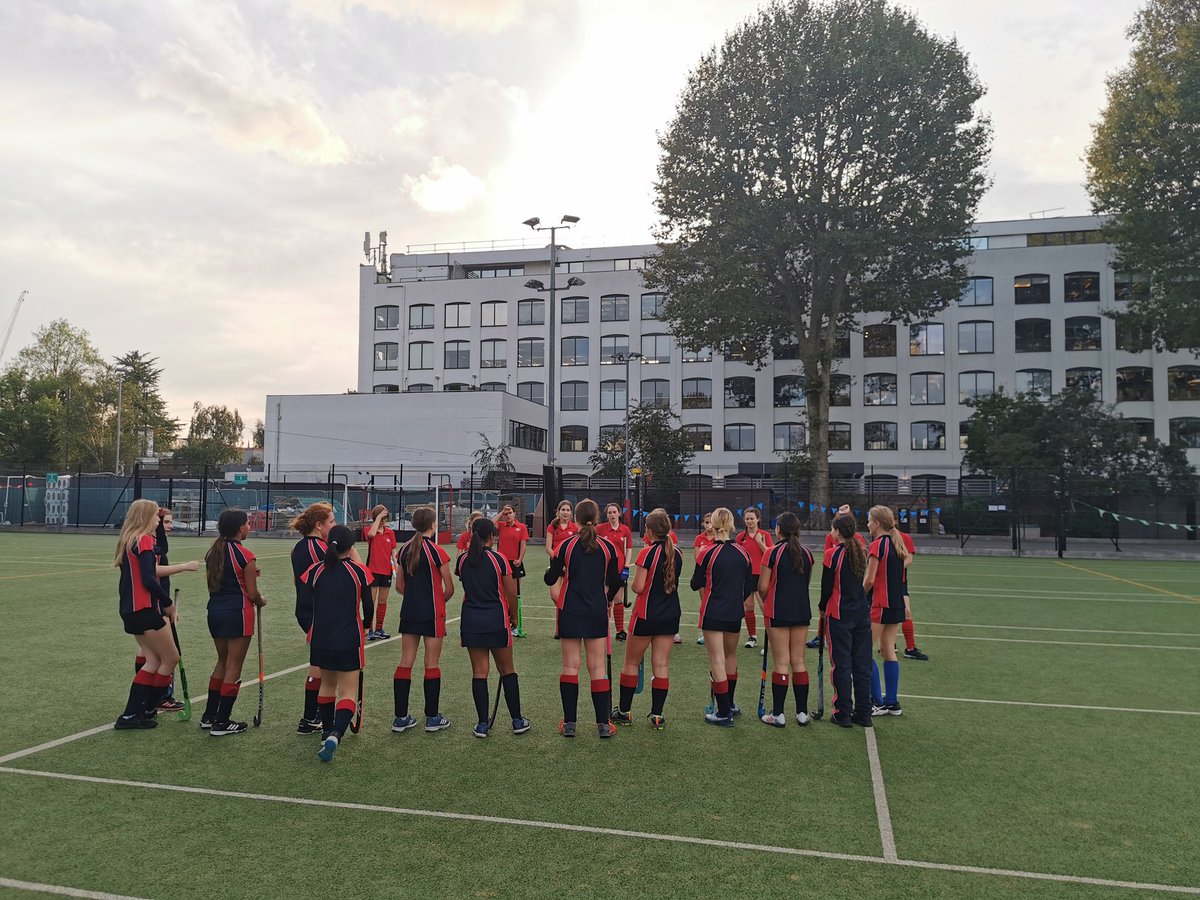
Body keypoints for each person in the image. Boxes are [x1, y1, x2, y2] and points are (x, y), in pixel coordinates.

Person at [544, 498, 621, 738]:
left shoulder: (565, 546)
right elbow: (616, 581)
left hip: (570, 610)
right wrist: (608, 598)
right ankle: (603, 725)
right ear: (597, 518)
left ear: (575, 519)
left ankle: (570, 724)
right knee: (597, 667)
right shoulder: (608, 547)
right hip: (596, 611)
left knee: (570, 665)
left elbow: (550, 578)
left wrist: (557, 570)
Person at [303, 525, 374, 762]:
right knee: (348, 692)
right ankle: (335, 734)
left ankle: (326, 731)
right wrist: (367, 625)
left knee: (326, 686)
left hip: (321, 638)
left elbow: (304, 604)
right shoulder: (359, 571)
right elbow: (368, 604)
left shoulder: (315, 570)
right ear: (351, 546)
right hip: (348, 638)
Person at [457, 517, 529, 737]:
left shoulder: (462, 560)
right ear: (491, 536)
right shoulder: (499, 559)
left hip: (471, 621)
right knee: (507, 670)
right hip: (496, 620)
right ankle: (517, 720)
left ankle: (482, 724)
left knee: (479, 672)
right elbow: (511, 592)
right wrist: (514, 617)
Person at [113, 499, 181, 730]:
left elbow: (161, 550)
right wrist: (168, 604)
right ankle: (149, 708)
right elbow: (149, 579)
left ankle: (133, 714)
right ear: (145, 517)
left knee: (152, 661)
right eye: (155, 517)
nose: (158, 521)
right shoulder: (143, 540)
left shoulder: (129, 539)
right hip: (144, 609)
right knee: (170, 658)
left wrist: (158, 521)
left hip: (130, 611)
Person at [613, 509, 681, 730]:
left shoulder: (647, 553)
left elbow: (638, 587)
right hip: (670, 615)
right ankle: (657, 715)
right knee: (661, 664)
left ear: (650, 531)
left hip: (646, 615)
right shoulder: (677, 553)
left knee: (631, 663)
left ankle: (624, 712)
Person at [202, 509, 266, 736]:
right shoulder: (246, 555)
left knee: (222, 661)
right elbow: (252, 594)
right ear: (240, 528)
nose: (249, 527)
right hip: (238, 612)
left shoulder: (213, 552)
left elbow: (226, 577)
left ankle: (209, 716)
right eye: (247, 523)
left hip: (215, 612)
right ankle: (222, 722)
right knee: (233, 666)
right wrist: (262, 601)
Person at [392, 506, 454, 733]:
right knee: (431, 663)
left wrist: (415, 599)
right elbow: (449, 588)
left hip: (409, 612)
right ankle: (432, 718)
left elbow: (399, 586)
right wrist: (436, 602)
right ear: (433, 525)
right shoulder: (437, 552)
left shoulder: (403, 550)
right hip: (432, 614)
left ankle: (400, 718)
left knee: (405, 661)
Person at [689, 507, 751, 727]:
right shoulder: (743, 552)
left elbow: (695, 583)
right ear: (732, 524)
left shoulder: (707, 552)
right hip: (734, 612)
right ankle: (729, 704)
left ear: (713, 525)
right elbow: (748, 586)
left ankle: (724, 712)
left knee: (717, 659)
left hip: (713, 612)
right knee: (731, 656)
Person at [136, 507, 199, 714]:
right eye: (165, 522)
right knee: (164, 656)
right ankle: (158, 698)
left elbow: (162, 548)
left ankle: (147, 699)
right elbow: (151, 573)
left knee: (149, 654)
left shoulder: (154, 544)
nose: (168, 526)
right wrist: (184, 567)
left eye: (170, 522)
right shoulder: (147, 543)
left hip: (156, 602)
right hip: (154, 604)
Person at [757, 512, 815, 727]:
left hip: (778, 611)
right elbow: (806, 582)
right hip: (801, 611)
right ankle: (802, 713)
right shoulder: (807, 553)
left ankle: (779, 714)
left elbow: (762, 587)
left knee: (781, 662)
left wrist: (767, 601)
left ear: (778, 530)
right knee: (798, 661)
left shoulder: (771, 552)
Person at [820, 513, 874, 728]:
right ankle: (864, 712)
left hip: (840, 615)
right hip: (861, 614)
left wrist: (821, 609)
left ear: (838, 531)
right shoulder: (861, 551)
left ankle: (842, 712)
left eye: (832, 529)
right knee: (862, 665)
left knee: (841, 665)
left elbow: (826, 588)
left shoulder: (832, 554)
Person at [290, 501, 335, 733]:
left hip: (308, 609)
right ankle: (309, 717)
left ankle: (313, 714)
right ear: (319, 525)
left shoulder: (299, 547)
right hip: (318, 612)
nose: (334, 525)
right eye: (332, 521)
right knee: (319, 664)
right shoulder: (320, 549)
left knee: (321, 662)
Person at [864, 505, 910, 717]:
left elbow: (870, 580)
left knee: (863, 651)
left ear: (877, 523)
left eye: (869, 520)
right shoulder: (897, 544)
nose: (867, 524)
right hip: (896, 605)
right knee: (888, 650)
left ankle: (878, 701)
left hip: (881, 605)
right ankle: (892, 702)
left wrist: (859, 595)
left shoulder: (877, 545)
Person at [811, 505, 866, 649]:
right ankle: (820, 636)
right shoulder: (831, 543)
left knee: (842, 653)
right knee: (857, 653)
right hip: (856, 606)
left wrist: (822, 605)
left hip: (842, 606)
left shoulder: (857, 543)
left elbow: (827, 583)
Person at [735, 508, 773, 649]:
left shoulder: (764, 535)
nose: (749, 521)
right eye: (747, 519)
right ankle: (752, 637)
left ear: (758, 519)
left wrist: (759, 542)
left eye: (752, 518)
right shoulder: (740, 537)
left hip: (762, 575)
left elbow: (770, 553)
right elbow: (738, 556)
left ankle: (771, 639)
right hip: (746, 575)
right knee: (748, 606)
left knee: (765, 608)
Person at [597, 502, 634, 640]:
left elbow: (629, 549)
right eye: (609, 513)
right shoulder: (600, 529)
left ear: (619, 513)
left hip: (619, 569)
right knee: (604, 599)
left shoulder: (625, 530)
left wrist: (626, 566)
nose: (612, 515)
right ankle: (602, 629)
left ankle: (620, 631)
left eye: (614, 512)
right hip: (604, 569)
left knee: (618, 600)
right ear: (606, 515)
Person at [363, 504, 397, 641]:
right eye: (382, 518)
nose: (384, 521)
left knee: (382, 601)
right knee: (371, 601)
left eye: (385, 518)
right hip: (372, 571)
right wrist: (378, 518)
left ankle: (379, 629)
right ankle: (369, 629)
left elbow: (394, 552)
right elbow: (371, 534)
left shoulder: (390, 533)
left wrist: (397, 568)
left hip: (386, 571)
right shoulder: (369, 529)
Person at [495, 504, 530, 637]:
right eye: (506, 513)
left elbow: (523, 544)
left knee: (514, 595)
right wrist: (501, 512)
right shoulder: (501, 525)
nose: (508, 515)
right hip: (502, 563)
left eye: (510, 513)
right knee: (502, 594)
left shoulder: (521, 527)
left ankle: (515, 624)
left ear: (515, 514)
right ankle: (503, 622)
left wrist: (520, 559)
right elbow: (490, 524)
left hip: (515, 563)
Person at [898, 528, 929, 660]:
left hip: (899, 581)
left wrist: (892, 570)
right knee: (886, 615)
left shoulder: (904, 538)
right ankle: (888, 644)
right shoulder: (879, 539)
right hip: (883, 582)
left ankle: (910, 648)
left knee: (906, 612)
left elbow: (909, 559)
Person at [693, 512, 716, 645]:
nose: (708, 525)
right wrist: (701, 551)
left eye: (711, 522)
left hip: (715, 576)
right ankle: (703, 632)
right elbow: (697, 559)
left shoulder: (719, 538)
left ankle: (716, 629)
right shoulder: (699, 538)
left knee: (715, 602)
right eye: (706, 522)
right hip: (703, 576)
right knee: (704, 603)